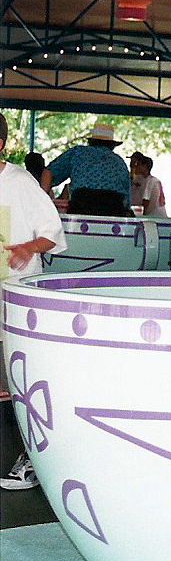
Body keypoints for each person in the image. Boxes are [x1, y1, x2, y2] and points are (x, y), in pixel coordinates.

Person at [0, 112, 67, 490]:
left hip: (17, 290)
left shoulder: (21, 182)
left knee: (21, 374)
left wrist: (27, 246)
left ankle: (32, 457)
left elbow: (51, 234)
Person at [40, 123, 131, 216]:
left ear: (91, 141)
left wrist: (41, 205)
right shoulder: (120, 163)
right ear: (112, 145)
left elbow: (48, 172)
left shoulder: (77, 153)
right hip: (113, 214)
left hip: (80, 211)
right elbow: (126, 202)